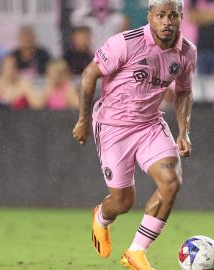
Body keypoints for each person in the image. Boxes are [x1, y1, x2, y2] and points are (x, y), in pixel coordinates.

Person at [72, 0, 196, 269]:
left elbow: (184, 91)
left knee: (171, 181)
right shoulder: (125, 43)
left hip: (150, 125)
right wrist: (82, 119)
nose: (166, 22)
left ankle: (136, 251)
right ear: (149, 16)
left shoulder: (186, 52)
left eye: (172, 15)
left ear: (181, 17)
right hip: (114, 128)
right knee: (123, 201)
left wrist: (184, 131)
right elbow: (89, 74)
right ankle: (102, 218)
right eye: (160, 15)